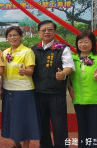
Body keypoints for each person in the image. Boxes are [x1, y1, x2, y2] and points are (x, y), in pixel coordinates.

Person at [31, 20, 75, 148]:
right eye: (43, 30)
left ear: (55, 32)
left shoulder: (63, 48)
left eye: (50, 29)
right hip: (38, 93)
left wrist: (63, 74)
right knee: (42, 126)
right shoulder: (33, 49)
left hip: (56, 93)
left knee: (59, 126)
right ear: (39, 32)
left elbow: (69, 66)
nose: (47, 32)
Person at [1, 26, 40, 148]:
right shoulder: (5, 52)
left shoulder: (27, 52)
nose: (12, 38)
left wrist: (25, 72)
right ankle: (15, 143)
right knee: (11, 118)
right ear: (7, 38)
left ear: (21, 36)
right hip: (8, 90)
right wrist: (1, 88)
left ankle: (25, 145)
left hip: (24, 90)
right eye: (10, 35)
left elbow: (30, 71)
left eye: (15, 35)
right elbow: (2, 72)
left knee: (24, 118)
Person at [69, 31, 97, 148]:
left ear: (92, 43)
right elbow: (66, 74)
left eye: (86, 42)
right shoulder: (72, 59)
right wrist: (69, 87)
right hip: (79, 100)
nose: (83, 44)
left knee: (95, 132)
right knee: (83, 132)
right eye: (80, 42)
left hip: (96, 100)